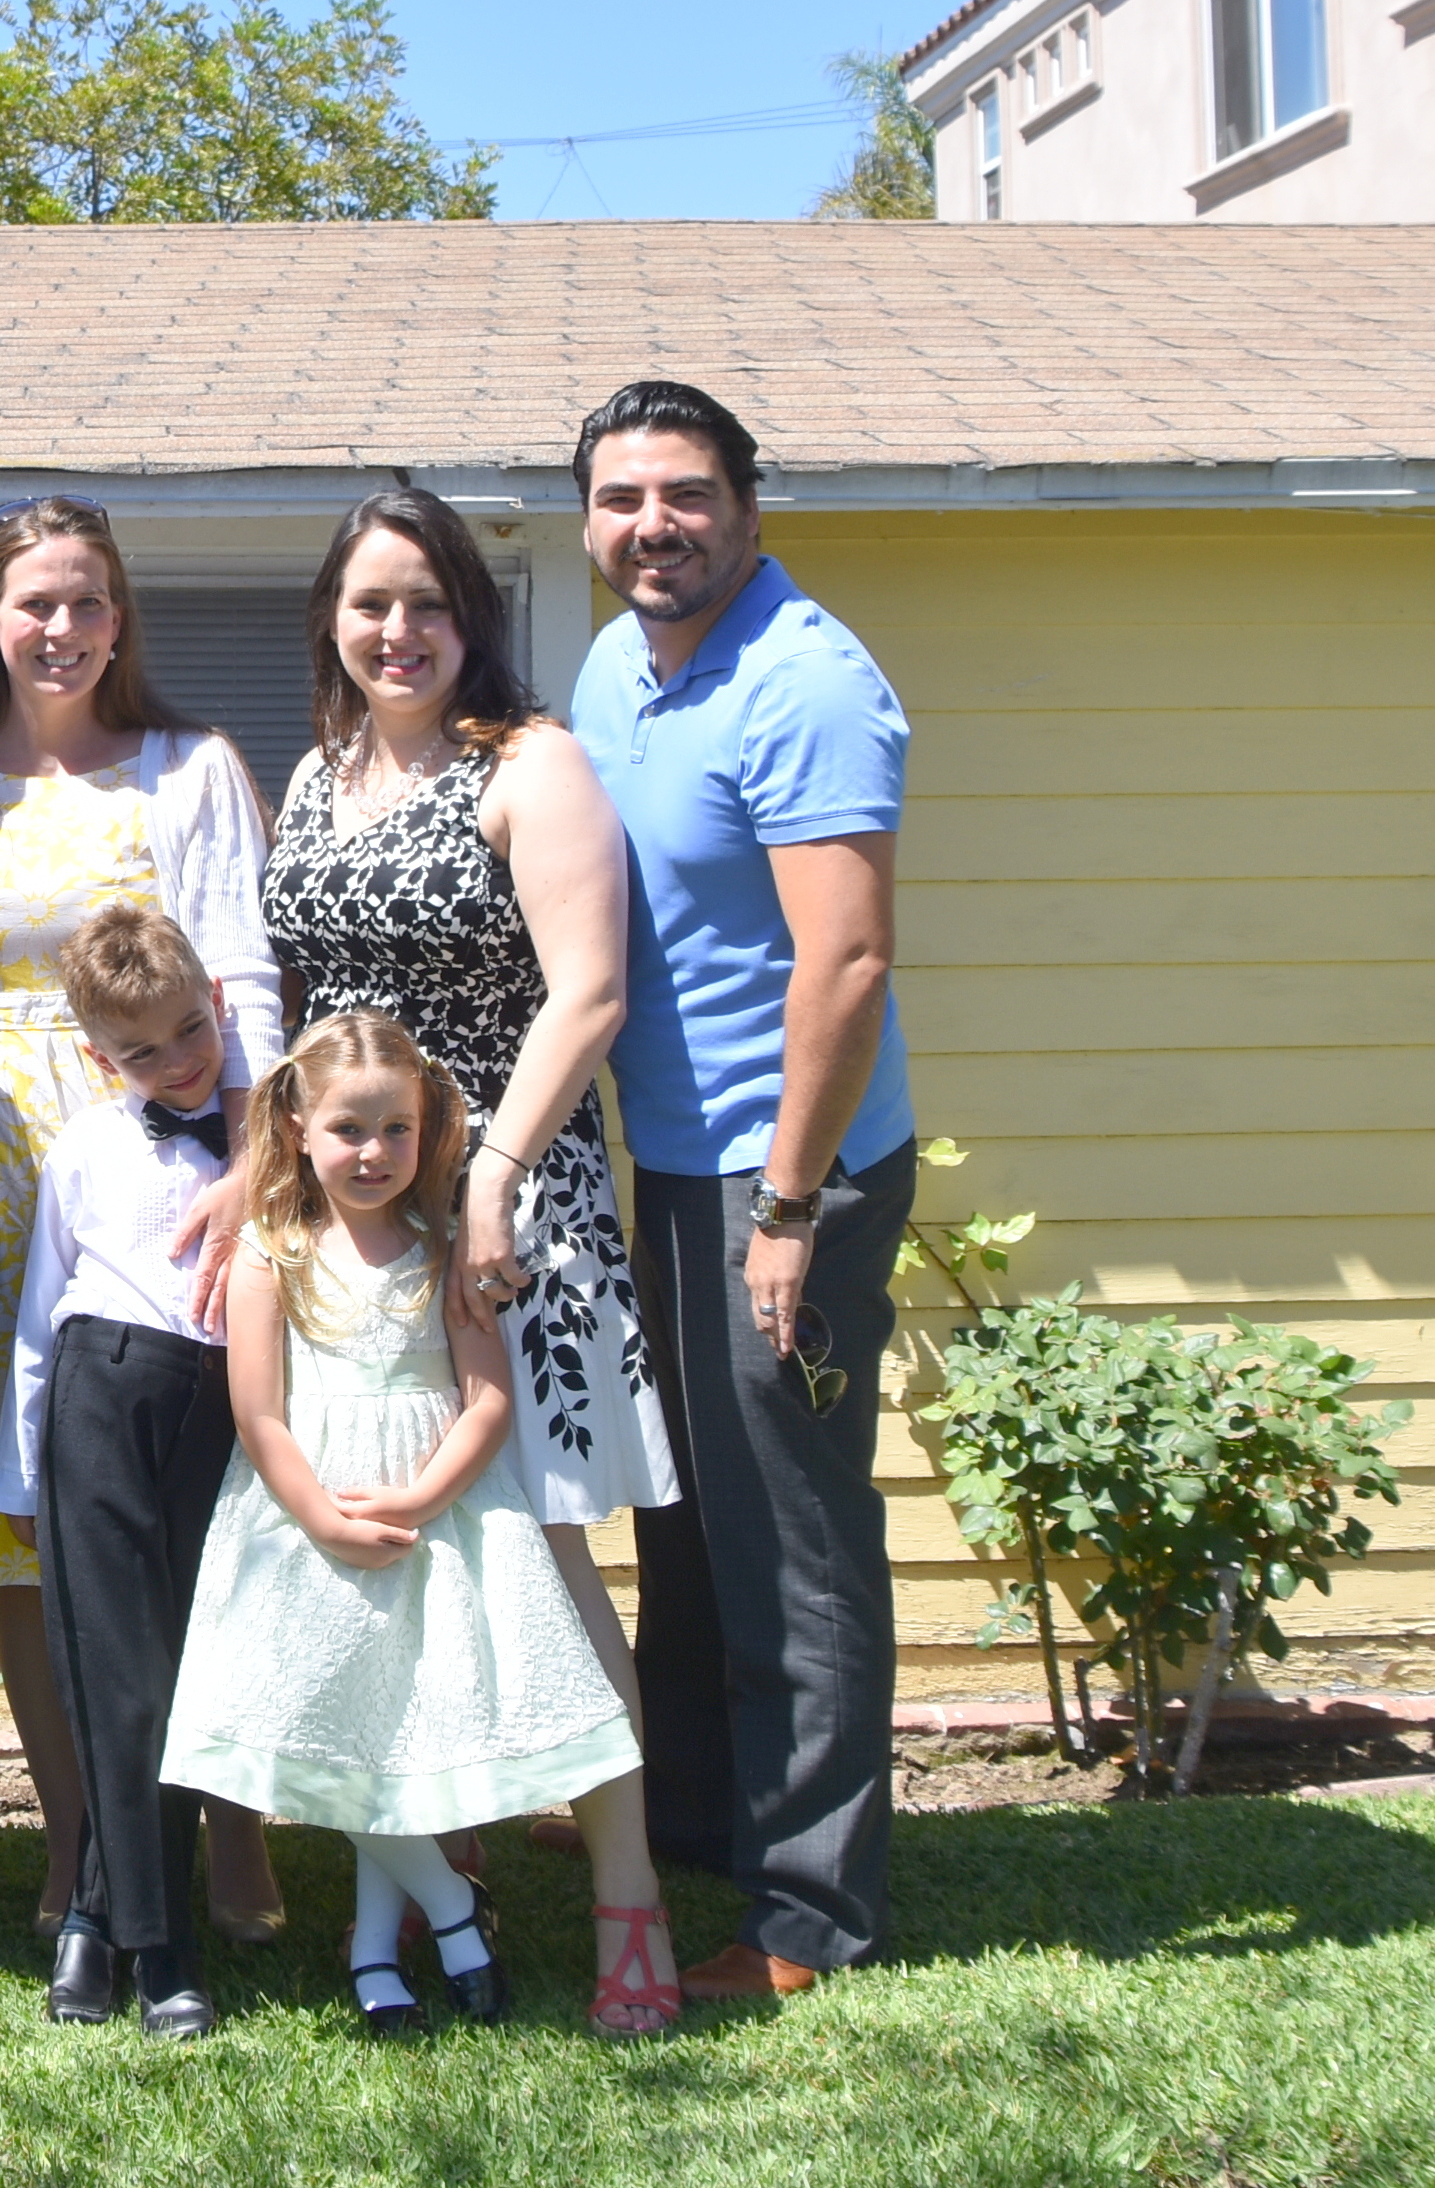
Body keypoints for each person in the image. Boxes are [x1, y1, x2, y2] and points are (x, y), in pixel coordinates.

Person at [260, 487, 683, 2035]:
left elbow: (588, 995)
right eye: (369, 602)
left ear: (471, 619)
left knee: (543, 1569)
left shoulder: (530, 766)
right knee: (395, 1553)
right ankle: (439, 1878)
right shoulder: (313, 775)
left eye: (427, 603)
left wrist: (490, 1176)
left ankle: (629, 1901)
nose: (398, 631)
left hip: (510, 1217)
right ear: (331, 617)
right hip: (360, 1224)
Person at [0, 495, 289, 1943]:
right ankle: (79, 1846)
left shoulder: (186, 769)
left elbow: (241, 977)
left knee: (201, 1520)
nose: (60, 628)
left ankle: (229, 1837)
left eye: (87, 601)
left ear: (119, 620)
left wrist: (249, 1168)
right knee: (36, 1541)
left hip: (167, 1188)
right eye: (34, 602)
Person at [566, 380, 917, 2000]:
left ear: (747, 509)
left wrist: (784, 1208)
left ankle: (808, 1914)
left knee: (790, 1536)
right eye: (620, 497)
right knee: (691, 1518)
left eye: (684, 494)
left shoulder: (805, 682)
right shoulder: (616, 665)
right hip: (668, 1154)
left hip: (784, 1171)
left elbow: (842, 963)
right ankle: (701, 1818)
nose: (652, 525)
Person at [160, 1015, 641, 2039]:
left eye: (396, 1129)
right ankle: (452, 1910)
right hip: (306, 1526)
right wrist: (318, 1515)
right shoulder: (270, 1254)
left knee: (397, 1733)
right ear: (296, 1127)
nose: (373, 1151)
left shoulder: (441, 1252)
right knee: (328, 1721)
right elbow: (259, 1413)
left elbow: (488, 1403)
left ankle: (378, 1954)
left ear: (427, 1131)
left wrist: (423, 1499)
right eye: (348, 1128)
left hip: (438, 1524)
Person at [0, 905, 241, 2040]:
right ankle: (164, 1952)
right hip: (101, 1389)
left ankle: (96, 1917)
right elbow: (42, 1310)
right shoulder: (86, 1145)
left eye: (190, 1030)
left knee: (181, 1673)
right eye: (141, 1051)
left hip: (225, 1409)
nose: (177, 1062)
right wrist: (21, 1479)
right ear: (101, 1060)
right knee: (114, 1675)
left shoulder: (272, 1135)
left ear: (220, 1004)